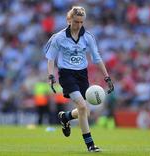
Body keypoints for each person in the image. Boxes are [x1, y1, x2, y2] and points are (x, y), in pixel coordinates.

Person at [45, 6, 114, 152]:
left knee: (84, 110)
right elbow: (51, 58)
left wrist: (107, 77)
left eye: (82, 22)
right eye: (76, 21)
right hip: (66, 74)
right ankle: (90, 145)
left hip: (82, 75)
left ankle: (65, 117)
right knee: (82, 107)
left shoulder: (88, 37)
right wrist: (51, 75)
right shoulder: (59, 37)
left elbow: (97, 58)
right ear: (69, 20)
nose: (79, 25)